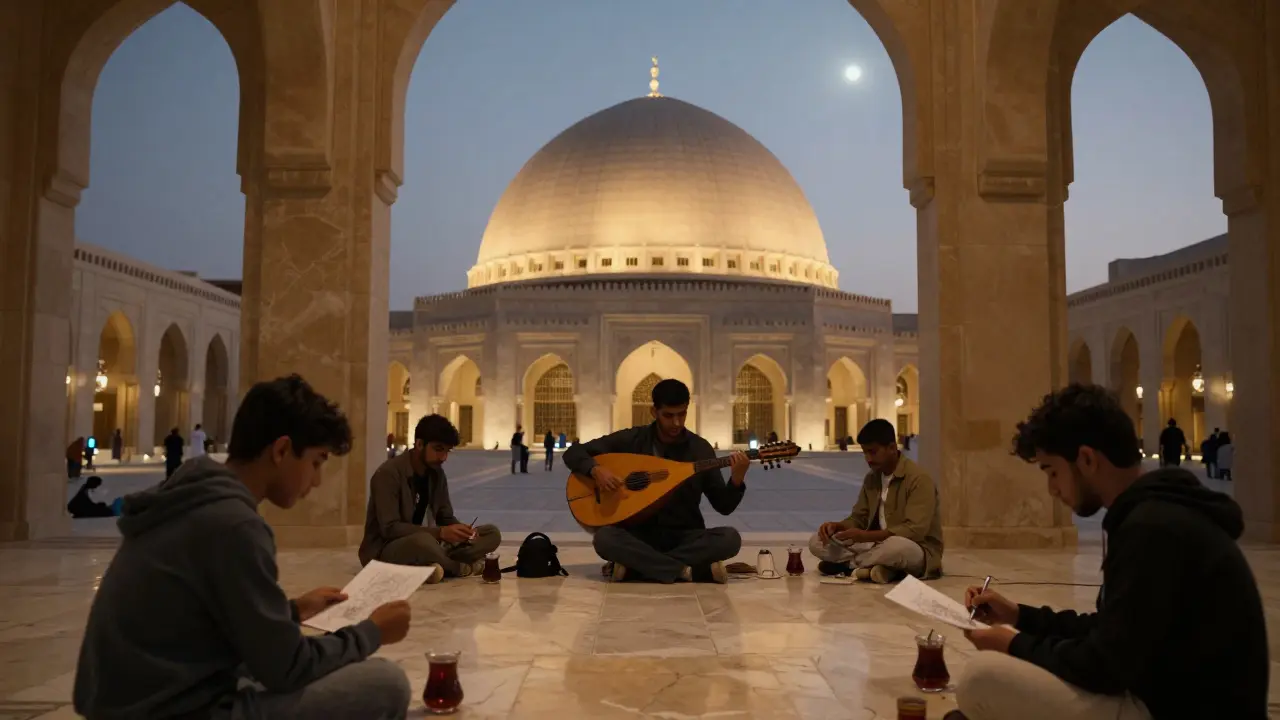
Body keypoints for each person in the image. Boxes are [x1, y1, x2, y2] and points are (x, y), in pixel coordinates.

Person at [73, 374, 413, 720]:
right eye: (316, 461)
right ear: (281, 450)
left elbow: (209, 623)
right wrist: (372, 632)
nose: (317, 480)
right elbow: (288, 668)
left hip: (128, 703)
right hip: (171, 710)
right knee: (384, 683)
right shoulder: (233, 523)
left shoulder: (195, 496)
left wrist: (290, 611)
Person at [956, 383, 1267, 720]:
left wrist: (1010, 644)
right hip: (1164, 694)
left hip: (1179, 709)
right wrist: (1019, 616)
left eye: (1053, 472)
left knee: (983, 678)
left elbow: (1104, 665)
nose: (1052, 489)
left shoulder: (1153, 528)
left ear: (1087, 459)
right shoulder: (1154, 515)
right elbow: (1113, 631)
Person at [563, 378, 749, 584]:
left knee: (730, 539)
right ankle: (686, 571)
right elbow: (573, 452)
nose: (677, 423)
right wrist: (595, 470)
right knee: (605, 539)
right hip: (638, 536)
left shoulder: (699, 449)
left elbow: (723, 506)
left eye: (682, 414)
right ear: (654, 412)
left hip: (684, 536)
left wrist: (737, 478)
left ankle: (637, 569)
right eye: (669, 416)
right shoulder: (632, 440)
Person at [359, 414, 501, 579]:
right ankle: (459, 568)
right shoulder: (388, 474)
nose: (443, 458)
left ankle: (434, 565)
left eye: (447, 451)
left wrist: (461, 531)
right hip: (387, 549)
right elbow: (390, 528)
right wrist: (440, 533)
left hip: (431, 541)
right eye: (438, 449)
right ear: (419, 444)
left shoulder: (436, 474)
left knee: (491, 533)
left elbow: (445, 517)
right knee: (423, 543)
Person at [808, 419, 943, 583]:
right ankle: (879, 569)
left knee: (896, 547)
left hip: (915, 548)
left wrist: (865, 536)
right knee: (816, 542)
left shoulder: (919, 479)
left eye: (873, 452)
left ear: (892, 448)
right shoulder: (872, 478)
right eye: (865, 452)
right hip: (874, 544)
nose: (868, 459)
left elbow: (915, 531)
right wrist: (838, 527)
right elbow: (859, 518)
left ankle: (848, 566)